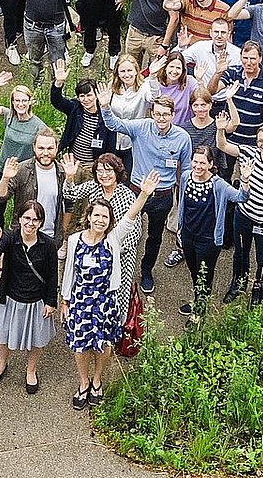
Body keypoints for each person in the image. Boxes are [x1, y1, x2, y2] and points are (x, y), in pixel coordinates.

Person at [61, 176, 156, 408]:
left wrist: (143, 194)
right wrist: (64, 301)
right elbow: (68, 272)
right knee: (81, 345)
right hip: (80, 302)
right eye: (97, 215)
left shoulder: (113, 240)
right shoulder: (74, 240)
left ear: (109, 221)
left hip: (105, 303)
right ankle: (83, 382)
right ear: (89, 218)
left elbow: (130, 216)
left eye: (105, 217)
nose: (101, 220)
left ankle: (97, 380)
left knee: (104, 345)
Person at [97, 85, 192, 295]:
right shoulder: (141, 127)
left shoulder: (183, 138)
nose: (161, 118)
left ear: (173, 115)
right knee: (126, 230)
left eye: (165, 114)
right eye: (157, 113)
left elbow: (185, 170)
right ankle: (118, 266)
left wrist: (183, 197)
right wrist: (105, 106)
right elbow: (114, 124)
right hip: (136, 192)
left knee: (155, 236)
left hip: (162, 196)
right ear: (152, 113)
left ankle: (146, 270)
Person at [0, 198, 57, 390]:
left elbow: (52, 275)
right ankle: (1, 363)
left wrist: (51, 301)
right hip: (9, 297)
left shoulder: (48, 245)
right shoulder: (10, 237)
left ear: (41, 222)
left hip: (36, 300)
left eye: (35, 220)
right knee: (2, 334)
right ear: (20, 218)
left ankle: (31, 370)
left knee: (36, 338)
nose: (30, 223)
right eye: (27, 218)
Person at [215, 123, 263, 305]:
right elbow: (223, 145)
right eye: (260, 140)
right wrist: (220, 129)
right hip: (243, 217)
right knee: (240, 253)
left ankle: (259, 292)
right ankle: (238, 285)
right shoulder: (249, 154)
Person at [174, 144, 248, 322]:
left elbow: (241, 198)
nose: (198, 166)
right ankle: (198, 300)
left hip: (208, 240)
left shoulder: (219, 185)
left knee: (204, 274)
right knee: (193, 272)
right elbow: (182, 203)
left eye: (202, 163)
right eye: (195, 162)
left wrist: (245, 180)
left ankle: (199, 311)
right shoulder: (185, 177)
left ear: (210, 164)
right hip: (188, 235)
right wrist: (180, 229)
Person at [0, 129, 68, 237]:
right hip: (21, 235)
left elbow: (69, 205)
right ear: (34, 148)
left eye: (50, 148)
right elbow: (0, 197)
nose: (45, 153)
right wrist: (5, 178)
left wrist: (63, 233)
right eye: (41, 148)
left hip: (50, 236)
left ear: (57, 148)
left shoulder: (62, 172)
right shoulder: (22, 169)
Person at [209, 40, 263, 151]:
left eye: (252, 58)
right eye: (245, 58)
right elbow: (211, 91)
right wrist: (218, 72)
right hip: (230, 142)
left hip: (254, 145)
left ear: (260, 58)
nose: (248, 62)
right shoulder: (232, 73)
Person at [0, 72, 48, 183]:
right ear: (13, 102)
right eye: (17, 100)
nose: (21, 104)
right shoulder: (8, 115)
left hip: (24, 173)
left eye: (24, 100)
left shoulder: (39, 126)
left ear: (30, 102)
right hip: (2, 169)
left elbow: (49, 147)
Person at [51, 63, 120, 167]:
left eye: (89, 95)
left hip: (93, 165)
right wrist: (59, 82)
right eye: (82, 96)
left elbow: (110, 146)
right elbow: (57, 101)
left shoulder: (106, 116)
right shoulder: (75, 108)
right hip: (73, 162)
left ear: (96, 95)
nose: (86, 99)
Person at [169, 0, 233, 49]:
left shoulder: (223, 9)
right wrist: (168, 6)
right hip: (187, 48)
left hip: (209, 51)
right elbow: (178, 3)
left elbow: (228, 37)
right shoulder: (188, 1)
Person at [184, 18, 241, 86]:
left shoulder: (237, 53)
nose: (219, 36)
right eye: (216, 32)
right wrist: (181, 47)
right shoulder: (200, 47)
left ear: (228, 34)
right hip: (202, 93)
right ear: (210, 33)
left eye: (223, 32)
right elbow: (176, 60)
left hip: (227, 95)